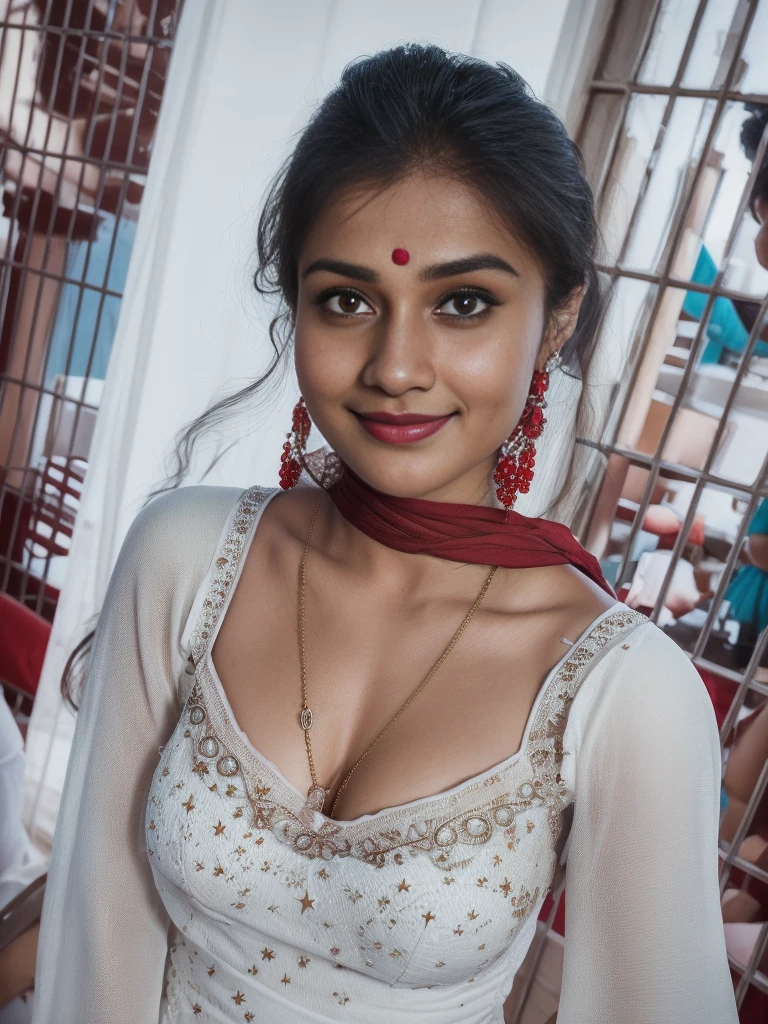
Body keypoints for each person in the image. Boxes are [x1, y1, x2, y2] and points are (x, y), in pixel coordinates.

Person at [30, 45, 737, 1023]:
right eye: (348, 300)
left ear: (559, 316)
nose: (397, 366)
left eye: (463, 303)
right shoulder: (185, 560)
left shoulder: (625, 695)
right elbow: (95, 936)